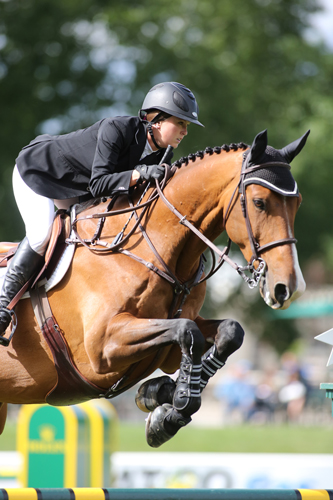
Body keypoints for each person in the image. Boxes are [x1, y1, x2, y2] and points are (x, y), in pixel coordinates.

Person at [0, 81, 204, 341]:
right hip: (40, 172)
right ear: (156, 120)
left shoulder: (161, 156)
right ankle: (3, 306)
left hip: (78, 189)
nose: (185, 132)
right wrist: (138, 174)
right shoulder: (117, 128)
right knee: (42, 234)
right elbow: (99, 184)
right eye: (182, 123)